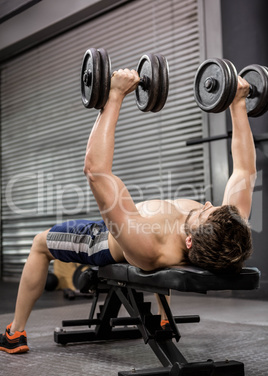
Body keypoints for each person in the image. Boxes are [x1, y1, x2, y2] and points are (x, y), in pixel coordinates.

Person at [0, 69, 256, 354]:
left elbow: (96, 171)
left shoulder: (149, 243)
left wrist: (114, 95)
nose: (207, 205)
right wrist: (238, 104)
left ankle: (15, 333)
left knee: (38, 243)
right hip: (149, 232)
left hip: (102, 239)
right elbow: (245, 170)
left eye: (203, 213)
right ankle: (162, 322)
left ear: (189, 242)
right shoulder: (229, 230)